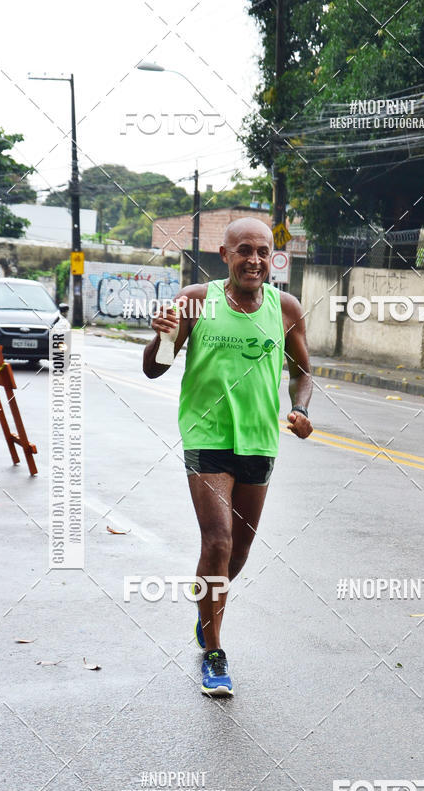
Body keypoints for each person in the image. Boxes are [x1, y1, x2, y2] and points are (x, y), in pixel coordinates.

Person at [143, 217, 313, 697]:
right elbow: (155, 369)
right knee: (216, 542)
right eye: (244, 250)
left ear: (271, 258)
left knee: (237, 555)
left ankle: (205, 613)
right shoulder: (196, 301)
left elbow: (303, 372)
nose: (254, 260)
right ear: (225, 254)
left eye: (262, 251)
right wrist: (163, 338)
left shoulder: (286, 308)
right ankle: (214, 653)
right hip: (206, 433)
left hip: (259, 440)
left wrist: (300, 410)